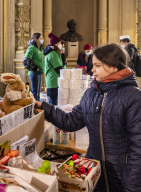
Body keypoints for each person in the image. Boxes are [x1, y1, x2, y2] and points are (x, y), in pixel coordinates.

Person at [35, 43, 141, 192]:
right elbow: (71, 121)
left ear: (113, 67)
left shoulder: (133, 97)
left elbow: (138, 147)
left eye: (97, 65)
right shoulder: (91, 94)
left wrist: (131, 185)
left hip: (121, 176)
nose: (92, 70)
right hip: (94, 171)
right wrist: (43, 107)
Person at [43, 33, 65, 105]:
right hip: (53, 82)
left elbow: (62, 66)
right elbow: (59, 68)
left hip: (54, 82)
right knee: (53, 104)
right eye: (59, 43)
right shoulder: (53, 54)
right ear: (55, 44)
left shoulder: (55, 53)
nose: (61, 45)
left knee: (54, 103)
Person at [23, 33, 45, 101]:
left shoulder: (39, 49)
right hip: (34, 72)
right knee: (35, 92)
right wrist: (35, 68)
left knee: (38, 93)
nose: (42, 40)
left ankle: (37, 107)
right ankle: (34, 108)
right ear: (36, 39)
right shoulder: (31, 48)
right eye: (40, 38)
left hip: (39, 72)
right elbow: (26, 61)